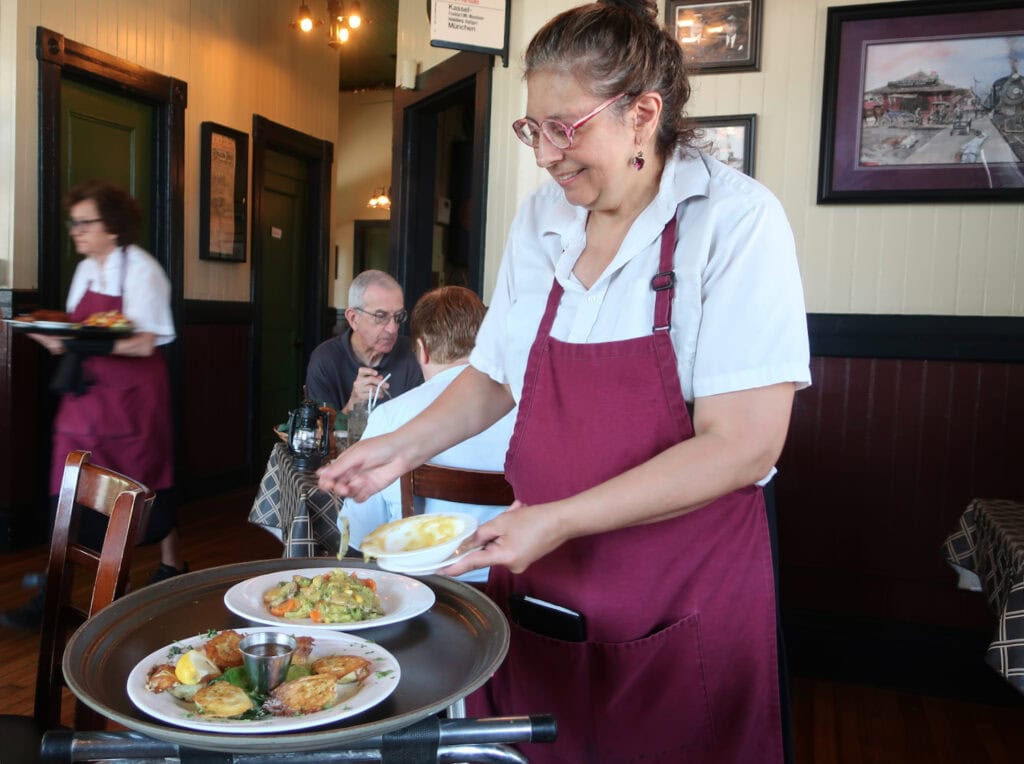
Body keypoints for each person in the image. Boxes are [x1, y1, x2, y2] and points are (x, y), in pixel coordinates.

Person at [319, 2, 810, 761]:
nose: (546, 154)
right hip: (545, 576)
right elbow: (494, 377)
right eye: (532, 129)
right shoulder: (543, 219)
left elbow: (743, 446)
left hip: (681, 590)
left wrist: (560, 518)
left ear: (643, 112)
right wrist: (396, 448)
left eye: (564, 127)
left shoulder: (735, 222)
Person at [1, 180, 185, 631]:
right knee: (68, 483)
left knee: (135, 485)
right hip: (85, 396)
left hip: (132, 401)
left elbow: (144, 343)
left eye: (86, 223)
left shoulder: (142, 270)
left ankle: (152, 578)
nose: (76, 231)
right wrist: (52, 336)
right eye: (74, 223)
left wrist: (79, 343)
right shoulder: (85, 270)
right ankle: (52, 595)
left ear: (113, 228)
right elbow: (81, 330)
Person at [336, 286, 516, 584]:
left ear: (422, 349)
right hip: (511, 586)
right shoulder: (526, 412)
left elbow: (357, 535)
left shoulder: (390, 416)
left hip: (421, 587)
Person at [304, 270, 423, 414]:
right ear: (353, 318)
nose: (392, 329)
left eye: (398, 316)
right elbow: (319, 432)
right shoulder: (325, 359)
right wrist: (353, 405)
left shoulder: (413, 354)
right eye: (380, 316)